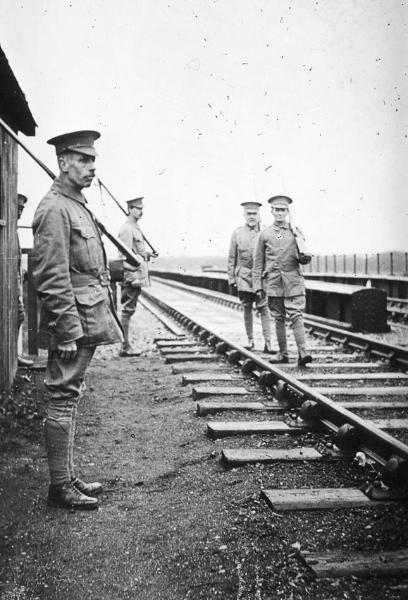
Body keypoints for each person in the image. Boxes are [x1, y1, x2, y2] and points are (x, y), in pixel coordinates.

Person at [32, 130, 123, 510]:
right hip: (74, 322)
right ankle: (60, 488)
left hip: (85, 315)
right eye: (84, 160)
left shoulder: (75, 204)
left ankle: (66, 478)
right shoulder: (54, 208)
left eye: (92, 160)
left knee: (69, 397)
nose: (92, 167)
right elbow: (52, 276)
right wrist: (66, 330)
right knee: (62, 397)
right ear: (63, 161)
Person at [252, 195, 312, 366]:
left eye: (283, 210)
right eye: (276, 210)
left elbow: (305, 259)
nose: (279, 213)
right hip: (273, 283)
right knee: (278, 317)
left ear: (288, 211)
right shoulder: (265, 234)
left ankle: (303, 353)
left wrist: (302, 245)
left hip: (293, 281)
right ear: (271, 211)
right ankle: (283, 354)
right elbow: (257, 263)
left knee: (296, 315)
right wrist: (257, 286)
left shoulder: (296, 231)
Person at [227, 201, 274, 353]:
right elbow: (231, 257)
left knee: (264, 308)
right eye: (249, 214)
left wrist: (290, 232)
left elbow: (279, 241)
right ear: (244, 215)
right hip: (245, 276)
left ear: (259, 215)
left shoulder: (268, 231)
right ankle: (250, 339)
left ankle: (269, 343)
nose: (252, 217)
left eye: (254, 214)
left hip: (262, 276)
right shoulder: (237, 232)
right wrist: (231, 278)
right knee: (246, 307)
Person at [117, 197, 157, 357]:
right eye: (137, 208)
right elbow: (123, 255)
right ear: (129, 209)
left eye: (141, 208)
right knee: (127, 311)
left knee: (129, 311)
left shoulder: (135, 227)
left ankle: (125, 345)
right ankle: (125, 347)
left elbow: (135, 252)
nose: (141, 211)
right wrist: (131, 277)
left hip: (137, 277)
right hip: (132, 278)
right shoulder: (127, 229)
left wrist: (147, 254)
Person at [16, 194, 34, 367]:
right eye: (17, 208)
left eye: (22, 209)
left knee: (19, 317)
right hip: (9, 288)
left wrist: (23, 271)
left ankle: (14, 356)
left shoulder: (13, 231)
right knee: (18, 316)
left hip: (15, 287)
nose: (19, 212)